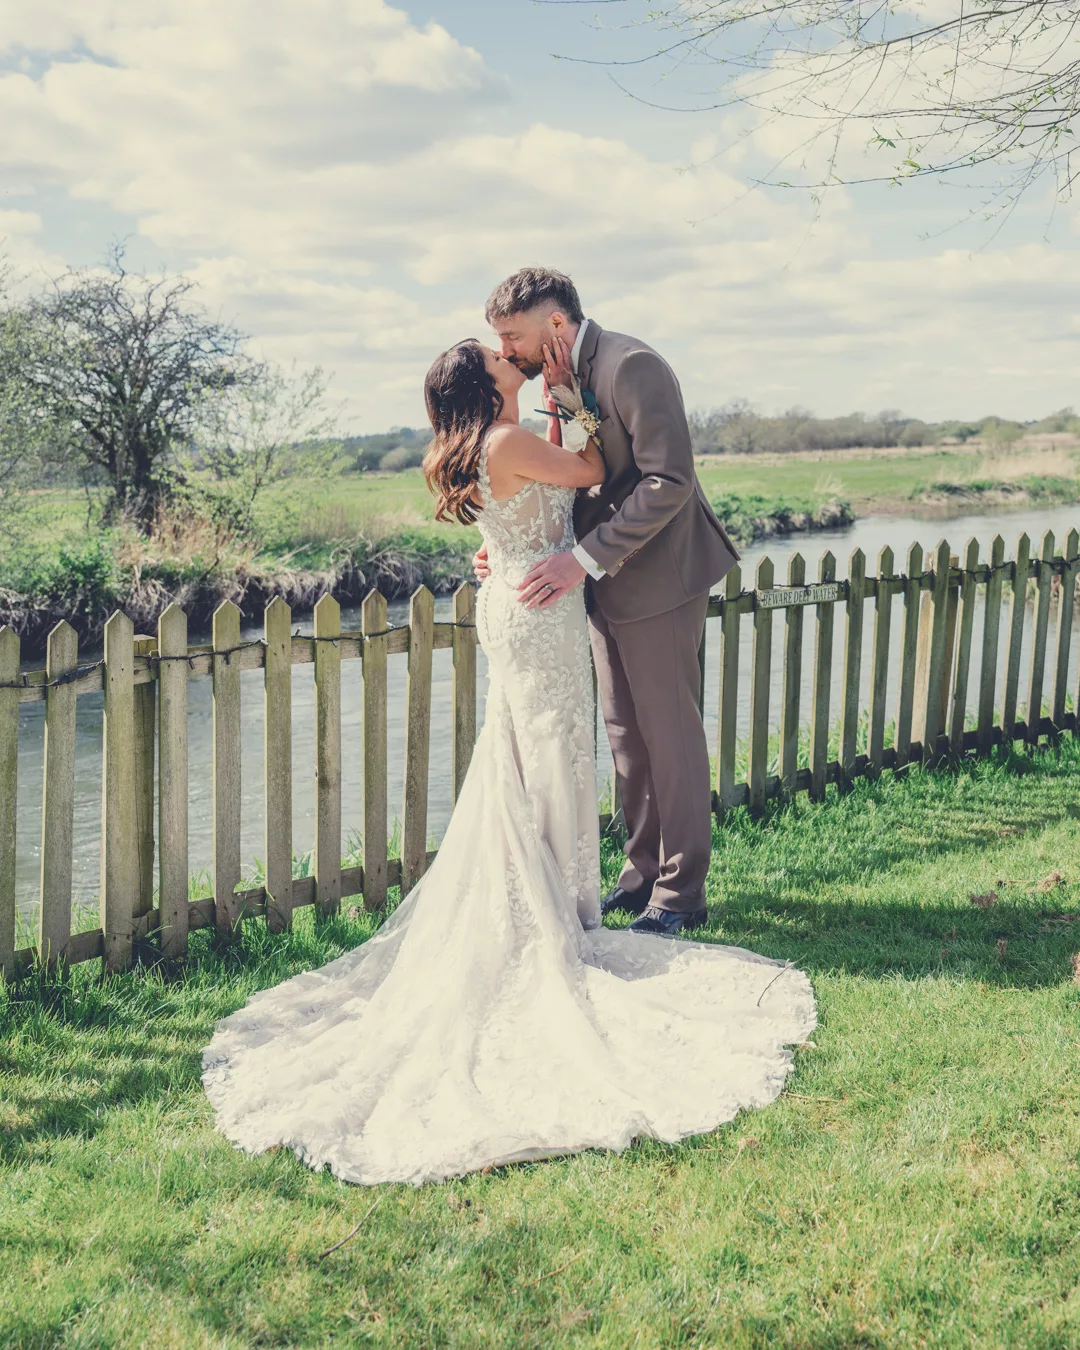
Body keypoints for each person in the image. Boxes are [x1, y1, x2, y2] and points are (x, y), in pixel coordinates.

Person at [201, 327, 815, 1189]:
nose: (513, 362)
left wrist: (522, 525)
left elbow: (520, 511)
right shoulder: (514, 436)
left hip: (514, 595)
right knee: (556, 749)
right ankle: (560, 906)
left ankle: (558, 892)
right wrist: (576, 405)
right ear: (485, 386)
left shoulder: (469, 449)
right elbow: (598, 474)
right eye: (501, 361)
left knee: (527, 752)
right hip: (540, 607)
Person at [477, 268, 740, 935]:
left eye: (513, 336)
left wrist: (579, 559)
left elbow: (668, 479)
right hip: (594, 581)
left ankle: (681, 894)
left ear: (555, 325)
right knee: (625, 736)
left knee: (668, 733)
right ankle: (642, 874)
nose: (505, 351)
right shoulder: (560, 379)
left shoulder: (633, 365)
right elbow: (569, 481)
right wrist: (516, 547)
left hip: (658, 577)